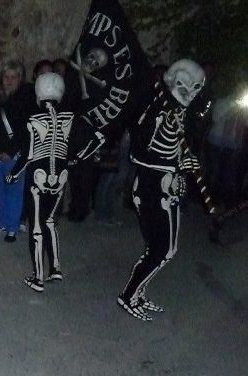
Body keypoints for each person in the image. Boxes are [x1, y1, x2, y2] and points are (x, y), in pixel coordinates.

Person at [118, 59, 206, 321]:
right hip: (151, 187)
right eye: (186, 86)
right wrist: (177, 162)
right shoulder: (157, 110)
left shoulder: (179, 113)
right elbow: (139, 153)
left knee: (158, 249)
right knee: (163, 251)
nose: (190, 94)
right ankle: (129, 295)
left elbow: (176, 147)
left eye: (196, 88)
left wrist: (184, 160)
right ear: (173, 82)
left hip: (168, 187)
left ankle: (138, 293)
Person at [6, 72, 72, 292]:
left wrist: (13, 174)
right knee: (50, 221)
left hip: (39, 176)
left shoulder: (34, 120)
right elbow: (70, 150)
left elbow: (29, 155)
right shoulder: (68, 118)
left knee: (36, 225)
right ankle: (55, 268)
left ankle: (38, 277)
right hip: (60, 176)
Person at [0, 60, 32, 242]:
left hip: (13, 154)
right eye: (6, 77)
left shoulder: (25, 100)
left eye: (14, 77)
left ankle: (12, 227)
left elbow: (25, 130)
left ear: (20, 79)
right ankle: (1, 222)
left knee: (13, 189)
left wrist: (11, 151)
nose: (9, 80)